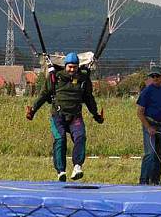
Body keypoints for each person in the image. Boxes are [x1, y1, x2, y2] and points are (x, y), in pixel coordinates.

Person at [26, 52, 104, 182]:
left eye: (74, 67)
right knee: (60, 139)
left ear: (78, 67)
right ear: (65, 67)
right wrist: (33, 111)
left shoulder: (83, 80)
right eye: (70, 67)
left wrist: (96, 115)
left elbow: (89, 99)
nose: (72, 70)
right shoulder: (55, 78)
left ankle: (77, 166)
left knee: (81, 137)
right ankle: (61, 171)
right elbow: (43, 95)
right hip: (58, 116)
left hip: (75, 116)